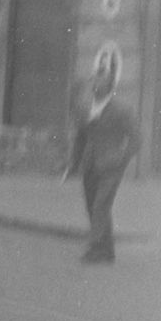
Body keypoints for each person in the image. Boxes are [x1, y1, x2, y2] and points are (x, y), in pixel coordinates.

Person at [61, 46, 139, 264]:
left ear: (110, 85)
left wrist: (121, 158)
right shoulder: (85, 107)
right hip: (90, 165)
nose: (95, 84)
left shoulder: (122, 109)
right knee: (92, 206)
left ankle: (95, 249)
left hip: (111, 166)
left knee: (100, 206)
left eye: (101, 80)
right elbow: (80, 137)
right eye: (94, 79)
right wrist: (73, 164)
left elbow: (137, 139)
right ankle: (107, 249)